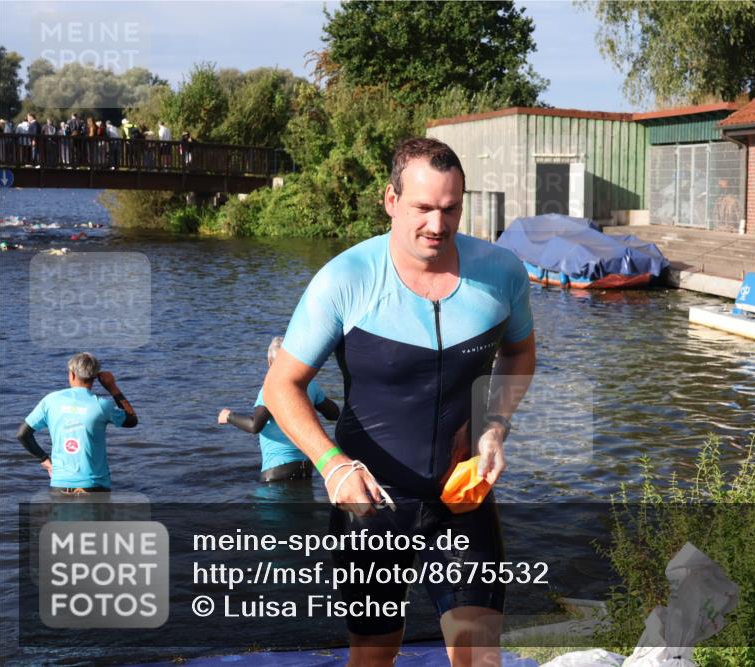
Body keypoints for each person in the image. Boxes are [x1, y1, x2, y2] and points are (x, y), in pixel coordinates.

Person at [263, 137, 536, 667]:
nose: (438, 224)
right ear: (391, 200)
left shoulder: (501, 273)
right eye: (423, 208)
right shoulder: (345, 279)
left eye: (451, 209)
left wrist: (494, 424)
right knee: (374, 656)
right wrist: (332, 466)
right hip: (372, 506)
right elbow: (281, 386)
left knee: (480, 657)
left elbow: (520, 353)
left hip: (463, 498)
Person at [218, 336, 340, 483]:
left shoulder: (270, 389)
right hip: (305, 469)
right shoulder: (309, 385)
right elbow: (334, 414)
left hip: (277, 472)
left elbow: (255, 425)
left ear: (270, 363)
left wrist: (229, 416)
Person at [16, 352, 138, 494]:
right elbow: (132, 420)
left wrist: (45, 460)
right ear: (94, 378)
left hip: (60, 484)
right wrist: (112, 387)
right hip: (95, 485)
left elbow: (22, 434)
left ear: (72, 375)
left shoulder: (50, 401)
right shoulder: (102, 405)